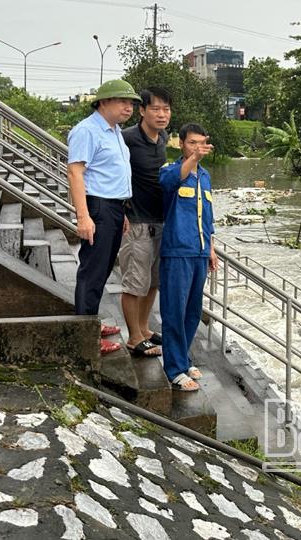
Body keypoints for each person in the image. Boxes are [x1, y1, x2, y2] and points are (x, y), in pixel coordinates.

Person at [67, 79, 141, 355]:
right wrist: (83, 217)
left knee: (103, 268)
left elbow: (112, 173)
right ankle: (85, 337)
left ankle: (91, 323)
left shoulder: (114, 131)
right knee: (93, 270)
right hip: (97, 207)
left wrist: (121, 209)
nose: (129, 107)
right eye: (123, 101)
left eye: (132, 103)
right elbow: (76, 172)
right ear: (103, 102)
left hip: (113, 207)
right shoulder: (87, 131)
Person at [158, 123, 218, 391]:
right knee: (174, 310)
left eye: (201, 143)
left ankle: (183, 359)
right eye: (192, 143)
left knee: (192, 311)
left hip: (199, 251)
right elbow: (170, 183)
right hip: (177, 251)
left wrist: (211, 248)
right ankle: (175, 369)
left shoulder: (204, 176)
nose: (197, 148)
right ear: (181, 144)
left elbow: (207, 216)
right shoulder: (170, 171)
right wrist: (193, 159)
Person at [118, 87, 172, 357]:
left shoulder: (162, 137)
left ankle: (144, 328)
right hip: (137, 220)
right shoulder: (126, 138)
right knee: (134, 281)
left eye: (166, 109)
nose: (162, 115)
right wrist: (122, 209)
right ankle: (133, 337)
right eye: (156, 109)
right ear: (142, 111)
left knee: (152, 281)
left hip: (160, 220)